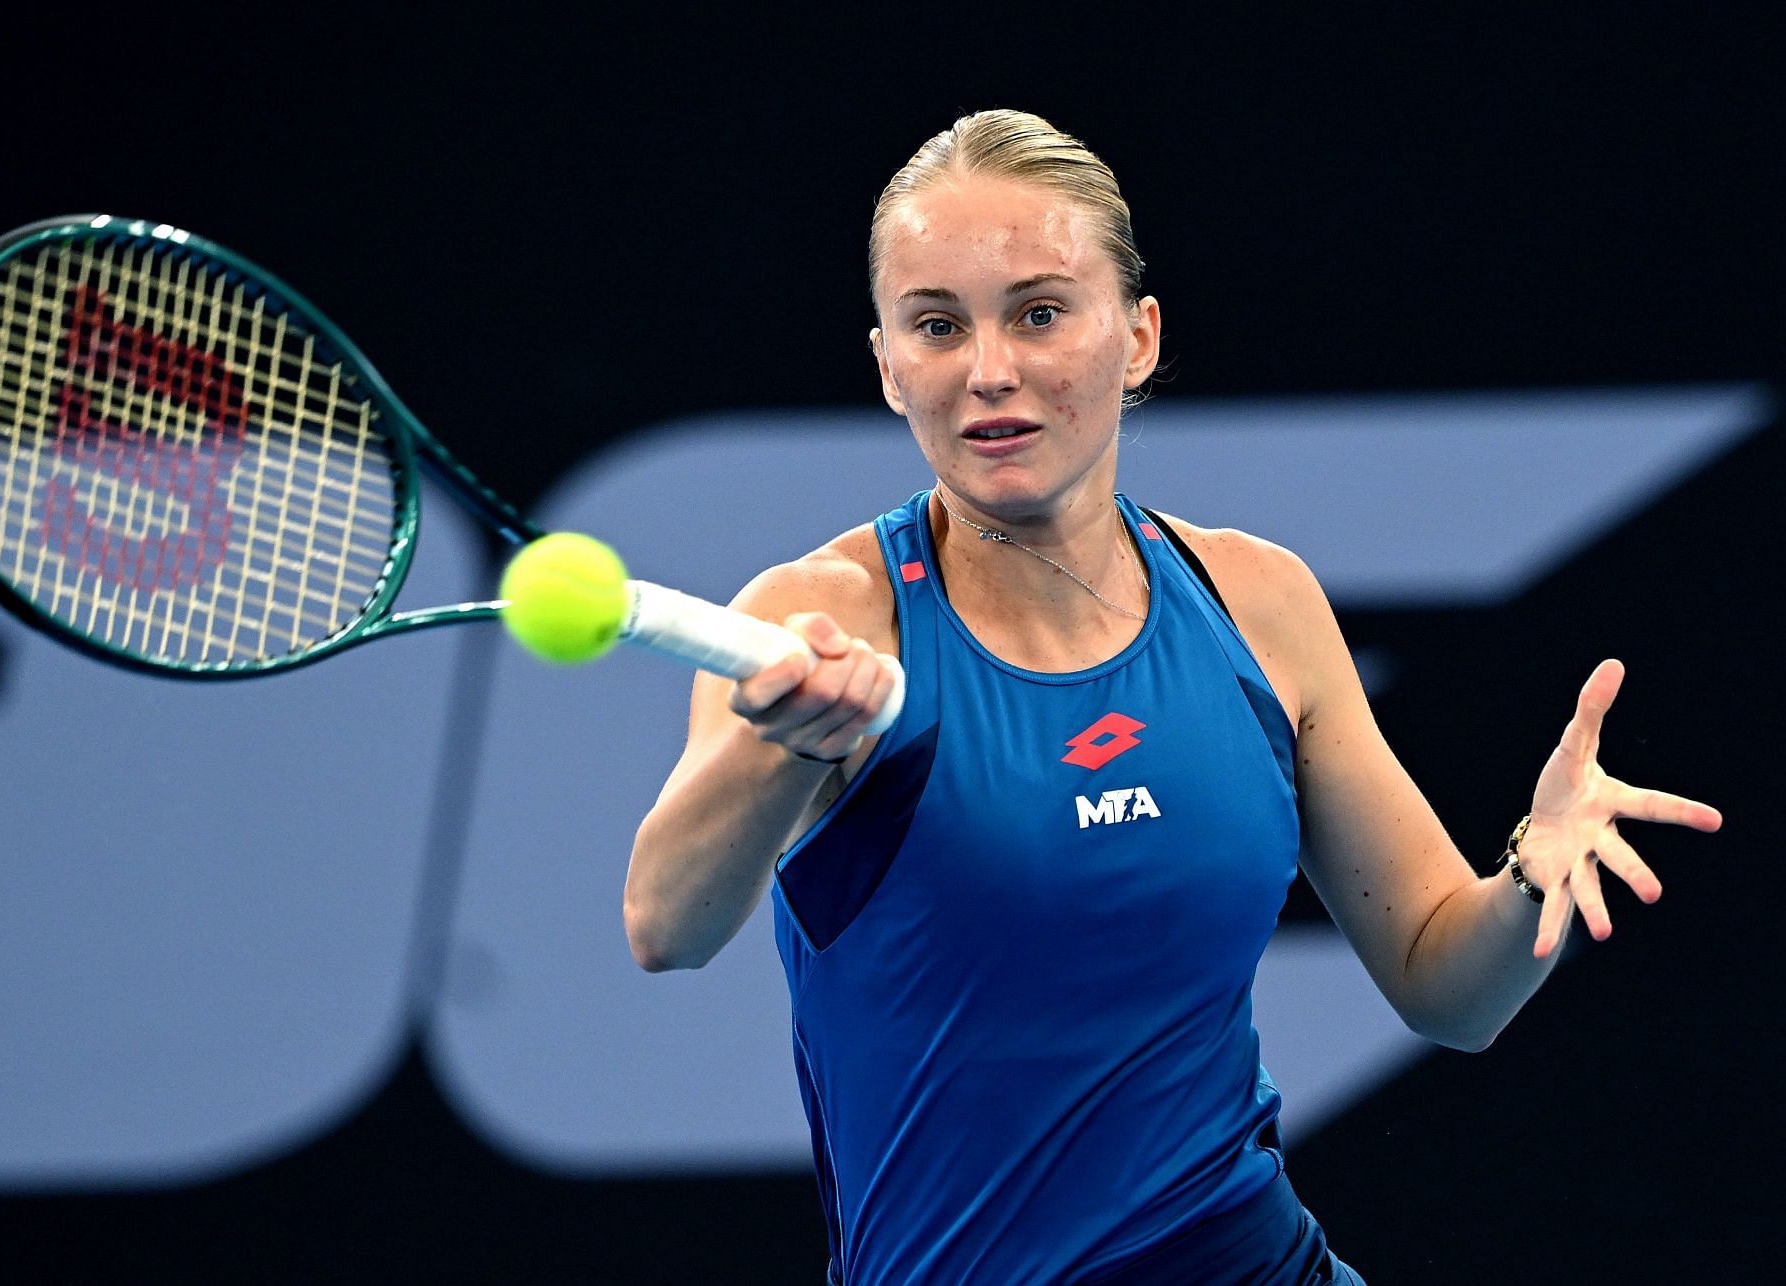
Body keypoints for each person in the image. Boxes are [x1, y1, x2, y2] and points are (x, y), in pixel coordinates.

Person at [623, 109, 1722, 1285]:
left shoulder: (1258, 600)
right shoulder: (824, 614)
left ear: (1137, 337)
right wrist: (778, 745)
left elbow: (1447, 983)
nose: (990, 368)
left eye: (1040, 312)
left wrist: (1530, 877)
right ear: (890, 364)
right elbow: (665, 927)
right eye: (937, 325)